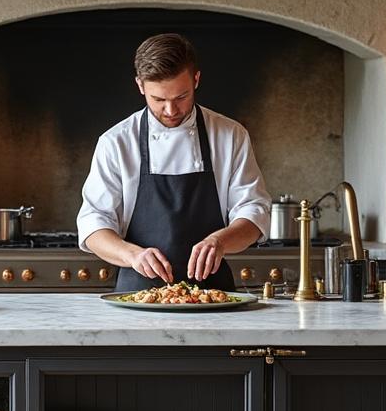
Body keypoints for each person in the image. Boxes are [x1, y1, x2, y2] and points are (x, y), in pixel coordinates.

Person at [77, 33, 271, 292]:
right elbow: (93, 224)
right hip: (138, 298)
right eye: (158, 100)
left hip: (214, 298)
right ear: (140, 86)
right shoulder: (116, 142)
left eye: (181, 97)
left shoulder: (230, 136)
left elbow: (254, 212)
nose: (171, 110)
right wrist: (132, 255)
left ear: (196, 80)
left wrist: (220, 241)